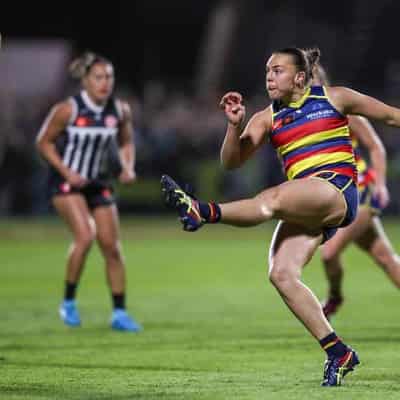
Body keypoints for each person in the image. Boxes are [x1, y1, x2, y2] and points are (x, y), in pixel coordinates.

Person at [161, 46, 400, 386]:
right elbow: (231, 161)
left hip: (335, 190)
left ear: (300, 77)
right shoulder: (266, 117)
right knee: (282, 274)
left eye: (278, 70)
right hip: (307, 202)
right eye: (268, 70)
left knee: (271, 199)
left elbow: (392, 115)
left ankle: (202, 211)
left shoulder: (335, 98)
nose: (269, 76)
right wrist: (234, 126)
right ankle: (338, 352)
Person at [36, 52, 142, 332]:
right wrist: (66, 171)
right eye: (98, 77)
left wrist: (128, 166)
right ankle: (68, 302)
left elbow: (126, 142)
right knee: (85, 236)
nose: (105, 83)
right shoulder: (68, 109)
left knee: (112, 247)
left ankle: (119, 313)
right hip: (66, 182)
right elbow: (43, 142)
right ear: (85, 81)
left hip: (99, 181)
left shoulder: (120, 110)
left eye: (109, 77)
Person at [311, 66, 400, 320]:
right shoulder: (302, 120)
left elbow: (375, 147)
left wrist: (381, 183)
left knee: (329, 252)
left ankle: (335, 297)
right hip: (337, 197)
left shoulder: (343, 109)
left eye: (310, 78)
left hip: (361, 191)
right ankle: (335, 296)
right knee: (385, 258)